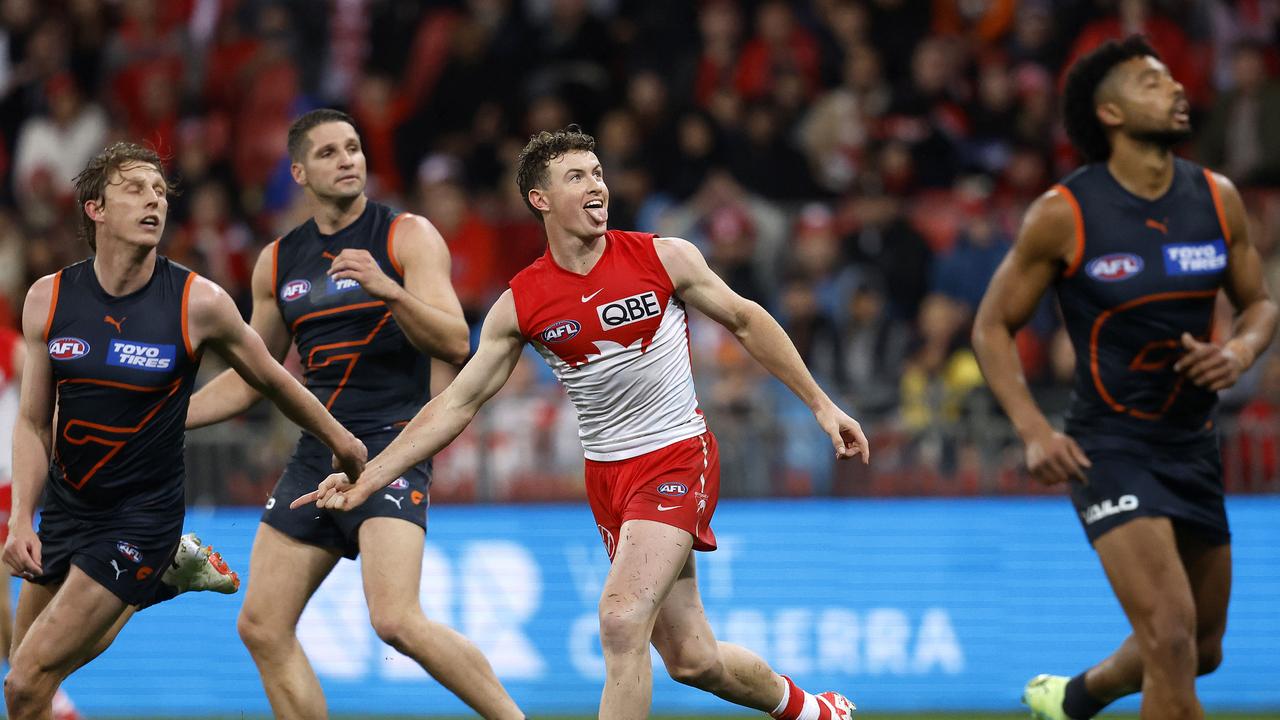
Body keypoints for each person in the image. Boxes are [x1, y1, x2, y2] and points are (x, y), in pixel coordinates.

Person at [294, 126, 869, 720]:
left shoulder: (663, 256)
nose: (597, 186)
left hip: (675, 455)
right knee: (693, 660)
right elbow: (456, 404)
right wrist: (367, 477)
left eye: (598, 173)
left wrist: (823, 406)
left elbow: (748, 322)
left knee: (621, 620)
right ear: (540, 200)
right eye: (578, 177)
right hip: (607, 478)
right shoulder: (523, 302)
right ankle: (812, 711)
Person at [1, 141, 368, 719]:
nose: (154, 200)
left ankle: (154, 565)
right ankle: (161, 578)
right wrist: (23, 515)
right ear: (95, 209)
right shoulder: (48, 298)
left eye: (159, 190)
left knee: (25, 680)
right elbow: (30, 423)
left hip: (141, 516)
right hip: (69, 507)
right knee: (29, 685)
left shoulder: (199, 302)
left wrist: (344, 444)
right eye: (135, 188)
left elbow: (274, 380)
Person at [971, 36, 1277, 720]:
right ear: (1108, 113)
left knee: (1202, 645)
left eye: (1171, 80)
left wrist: (1240, 352)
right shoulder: (1064, 213)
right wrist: (1033, 431)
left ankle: (1075, 697)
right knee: (1168, 638)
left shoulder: (1217, 198)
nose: (1174, 90)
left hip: (1193, 445)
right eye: (1150, 82)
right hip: (1108, 448)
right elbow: (991, 326)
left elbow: (1260, 304)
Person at [185, 109, 522, 720]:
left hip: (393, 444)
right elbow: (251, 379)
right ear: (299, 172)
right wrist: (164, 418)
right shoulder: (277, 262)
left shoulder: (405, 236)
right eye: (330, 152)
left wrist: (390, 291)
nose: (348, 160)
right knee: (261, 625)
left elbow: (454, 342)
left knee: (395, 620)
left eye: (354, 148)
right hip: (319, 452)